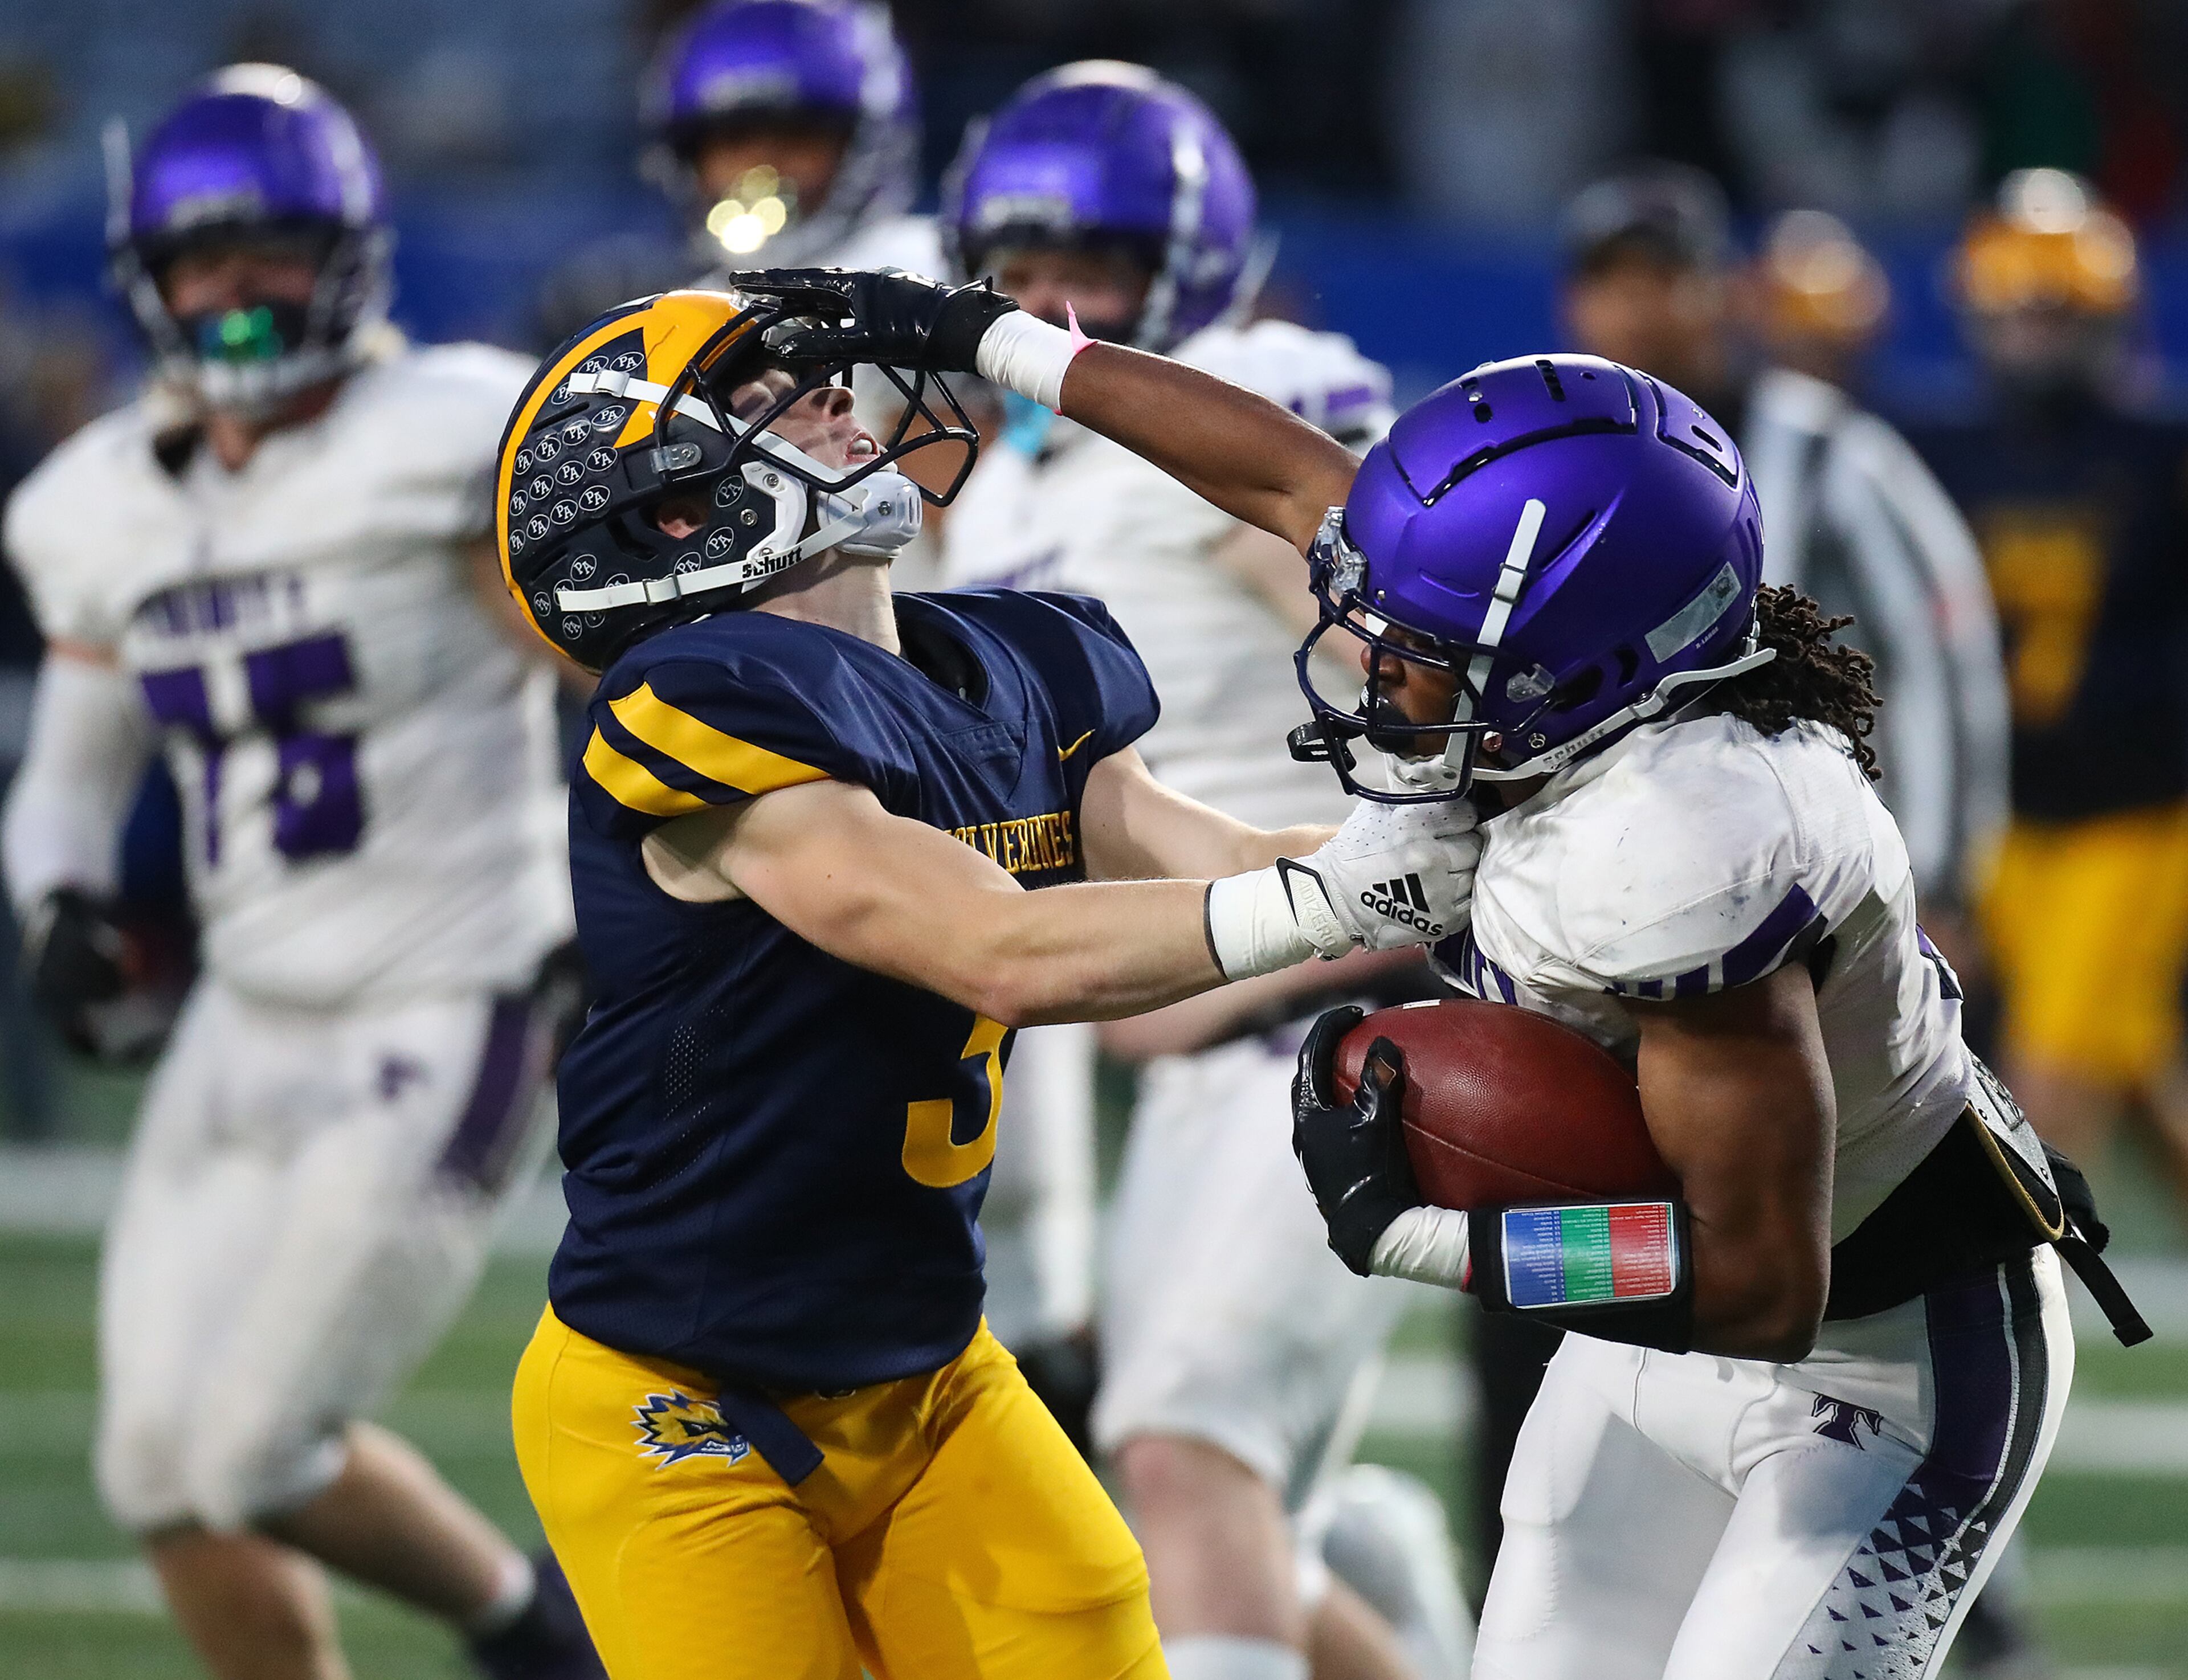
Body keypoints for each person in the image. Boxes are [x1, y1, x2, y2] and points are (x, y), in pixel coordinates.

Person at [726, 265, 2146, 1680]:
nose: (1368, 654)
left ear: (1575, 670)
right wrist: (994, 338)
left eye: (1420, 645)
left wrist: (1438, 1239)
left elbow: (1761, 1279)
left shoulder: (1691, 847)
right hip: (1654, 1341)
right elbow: (1287, 482)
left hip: (1878, 1362)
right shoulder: (1561, 668)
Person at [496, 284, 1481, 1680]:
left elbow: (1241, 862)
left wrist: (1478, 859)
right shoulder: (701, 699)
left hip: (929, 1374)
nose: (840, 399)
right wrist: (1351, 891)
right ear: (671, 511)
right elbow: (997, 949)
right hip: (685, 1391)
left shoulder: (1011, 661)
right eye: (769, 395)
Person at [0, 66, 600, 1680]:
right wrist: (60, 907)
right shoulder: (93, 504)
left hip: (447, 990)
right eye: (207, 261)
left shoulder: (461, 432)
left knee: (257, 1449)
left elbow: (624, 664)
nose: (239, 291)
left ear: (347, 255)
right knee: (156, 1473)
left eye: (274, 250)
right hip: (243, 1014)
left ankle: (538, 1634)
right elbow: (69, 775)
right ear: (151, 282)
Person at [937, 60, 1470, 1680]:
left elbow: (1417, 646)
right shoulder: (1000, 479)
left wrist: (1385, 903)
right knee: (1174, 1485)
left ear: (1191, 267)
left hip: (1329, 1003)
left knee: (1183, 1459)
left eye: (1082, 267)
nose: (1045, 310)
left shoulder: (1243, 388)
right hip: (1189, 1048)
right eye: (1015, 273)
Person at [1905, 167, 2188, 1203]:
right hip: (1995, 815)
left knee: (2048, 1089)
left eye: (2053, 311)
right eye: (2013, 310)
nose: (2030, 333)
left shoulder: (2160, 452)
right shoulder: (1938, 450)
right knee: (2132, 1060)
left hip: (2132, 817)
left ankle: (2010, 1295)